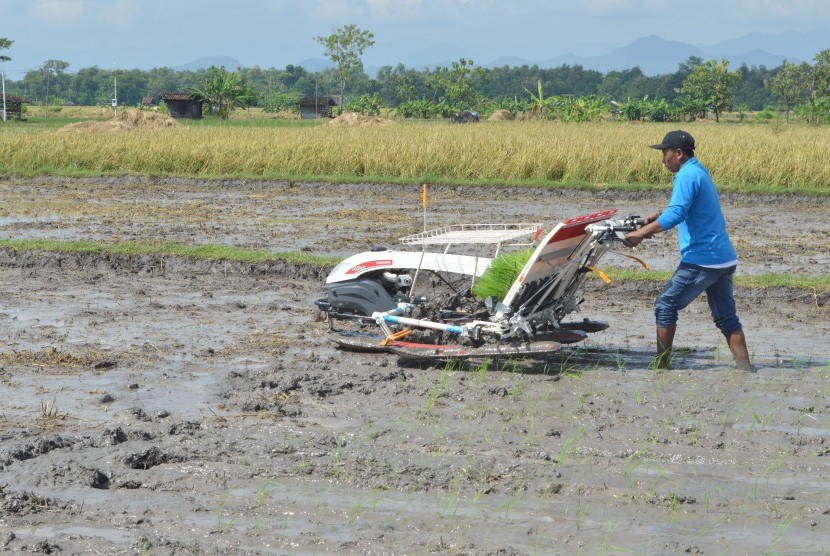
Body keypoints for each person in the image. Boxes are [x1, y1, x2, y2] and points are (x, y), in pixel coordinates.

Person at [624, 130, 753, 372]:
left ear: (679, 153)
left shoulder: (687, 174)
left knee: (665, 305)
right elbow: (686, 209)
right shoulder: (698, 170)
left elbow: (677, 214)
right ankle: (746, 371)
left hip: (702, 260)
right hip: (723, 258)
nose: (663, 159)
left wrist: (641, 233)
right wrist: (656, 217)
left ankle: (661, 368)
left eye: (665, 153)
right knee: (726, 318)